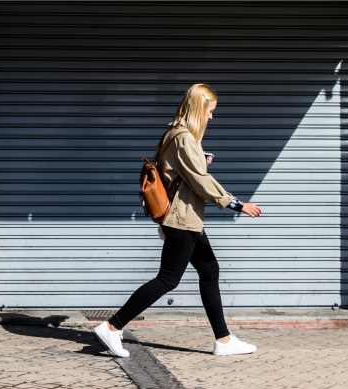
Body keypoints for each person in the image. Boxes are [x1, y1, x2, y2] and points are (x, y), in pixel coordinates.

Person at [94, 84, 263, 358]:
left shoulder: (173, 134)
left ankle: (223, 339)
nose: (211, 117)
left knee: (209, 271)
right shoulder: (184, 138)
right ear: (198, 109)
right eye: (210, 111)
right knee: (167, 279)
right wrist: (237, 204)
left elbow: (184, 173)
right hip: (181, 219)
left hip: (187, 219)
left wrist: (200, 164)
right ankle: (112, 327)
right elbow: (200, 181)